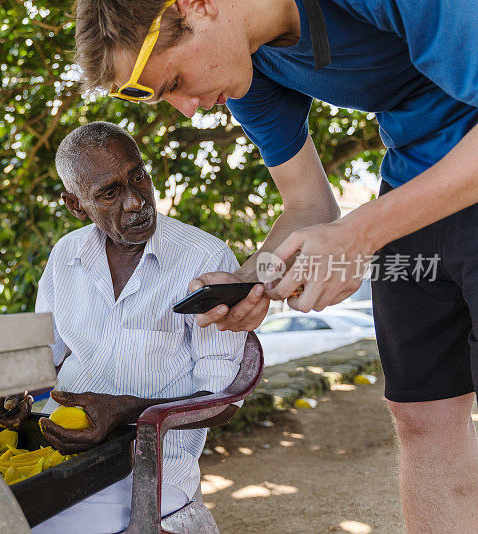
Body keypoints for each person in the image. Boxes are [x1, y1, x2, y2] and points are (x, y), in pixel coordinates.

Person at [72, 0, 478, 531]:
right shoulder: (247, 68)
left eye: (173, 81)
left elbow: (346, 227)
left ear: (198, 6)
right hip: (413, 189)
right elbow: (309, 204)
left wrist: (359, 234)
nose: (188, 108)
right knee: (422, 415)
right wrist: (250, 281)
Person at [0, 121, 247, 533]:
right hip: (57, 450)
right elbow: (45, 355)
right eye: (110, 193)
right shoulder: (66, 256)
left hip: (146, 467)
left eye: (138, 177)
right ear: (76, 205)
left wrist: (128, 411)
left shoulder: (205, 258)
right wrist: (13, 387)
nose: (135, 201)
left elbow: (223, 399)